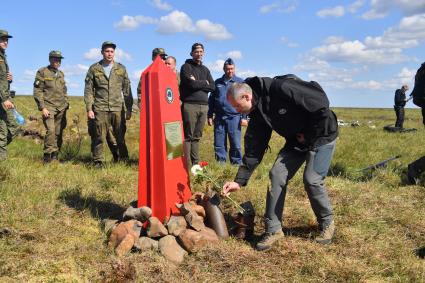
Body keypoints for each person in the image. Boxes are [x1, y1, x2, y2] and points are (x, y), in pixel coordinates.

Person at [222, 75, 338, 251]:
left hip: (322, 134)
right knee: (276, 174)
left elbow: (320, 101)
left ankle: (327, 223)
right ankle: (274, 230)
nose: (238, 111)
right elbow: (254, 147)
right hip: (297, 141)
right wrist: (239, 181)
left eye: (238, 106)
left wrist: (310, 133)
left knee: (312, 179)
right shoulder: (257, 111)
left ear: (247, 96)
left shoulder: (280, 87)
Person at [84, 41, 133, 167]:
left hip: (117, 108)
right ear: (102, 52)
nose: (109, 54)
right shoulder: (94, 68)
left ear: (114, 53)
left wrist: (129, 109)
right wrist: (89, 108)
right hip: (100, 108)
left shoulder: (121, 69)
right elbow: (89, 90)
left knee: (120, 136)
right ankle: (98, 161)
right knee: (98, 136)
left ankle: (123, 158)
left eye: (111, 51)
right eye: (107, 51)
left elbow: (127, 90)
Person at [179, 43, 215, 166]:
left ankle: (195, 165)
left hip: (204, 106)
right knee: (188, 136)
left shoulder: (205, 69)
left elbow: (213, 86)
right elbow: (191, 84)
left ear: (203, 53)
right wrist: (204, 83)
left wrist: (199, 82)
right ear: (191, 53)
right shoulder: (186, 67)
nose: (199, 54)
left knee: (197, 137)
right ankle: (186, 165)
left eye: (201, 51)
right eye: (196, 51)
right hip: (190, 105)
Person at [207, 58, 247, 165]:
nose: (230, 71)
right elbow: (211, 100)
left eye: (232, 69)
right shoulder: (217, 82)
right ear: (224, 69)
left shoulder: (240, 82)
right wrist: (210, 115)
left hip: (234, 117)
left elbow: (245, 101)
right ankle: (221, 166)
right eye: (228, 69)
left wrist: (244, 117)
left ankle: (236, 165)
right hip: (219, 118)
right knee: (219, 144)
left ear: (234, 68)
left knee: (235, 144)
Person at [33, 51, 68, 163]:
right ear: (50, 59)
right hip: (49, 107)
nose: (57, 62)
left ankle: (55, 155)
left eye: (59, 60)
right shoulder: (42, 72)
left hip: (61, 107)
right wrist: (42, 107)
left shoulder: (61, 74)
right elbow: (38, 91)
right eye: (55, 59)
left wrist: (67, 102)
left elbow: (64, 90)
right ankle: (47, 156)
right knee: (51, 131)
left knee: (58, 132)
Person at [0, 29, 18, 161]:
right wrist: (4, 98)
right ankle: (2, 161)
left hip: (5, 99)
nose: (5, 42)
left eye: (7, 40)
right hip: (2, 100)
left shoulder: (3, 56)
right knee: (3, 131)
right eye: (2, 39)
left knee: (14, 127)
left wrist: (9, 79)